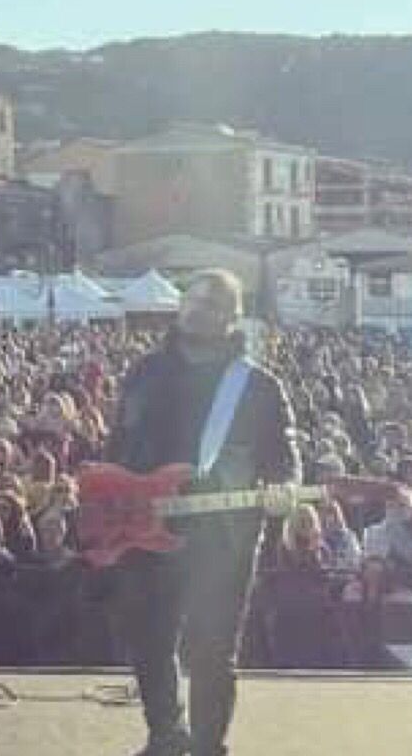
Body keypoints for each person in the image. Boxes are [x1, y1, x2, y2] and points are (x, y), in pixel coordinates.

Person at [104, 269, 300, 756]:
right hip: (147, 526)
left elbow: (286, 453)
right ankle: (165, 736)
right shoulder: (146, 372)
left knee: (212, 650)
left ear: (233, 318)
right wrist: (109, 498)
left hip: (224, 537)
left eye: (211, 302)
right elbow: (119, 442)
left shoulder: (257, 386)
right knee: (150, 639)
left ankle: (210, 746)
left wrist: (287, 487)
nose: (196, 307)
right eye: (191, 297)